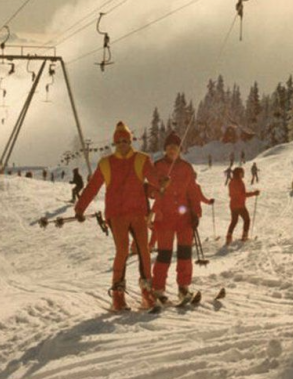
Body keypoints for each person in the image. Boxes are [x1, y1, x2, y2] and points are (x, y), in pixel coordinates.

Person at [74, 121, 163, 312]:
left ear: (130, 141)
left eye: (126, 140)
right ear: (115, 143)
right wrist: (80, 207)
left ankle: (147, 290)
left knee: (144, 251)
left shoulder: (142, 159)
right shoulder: (106, 163)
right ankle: (118, 294)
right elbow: (93, 187)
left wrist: (161, 182)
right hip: (117, 214)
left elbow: (154, 178)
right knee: (122, 250)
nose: (122, 143)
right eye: (119, 140)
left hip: (138, 213)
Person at [150, 132, 210, 304]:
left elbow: (192, 192)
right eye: (169, 147)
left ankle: (183, 287)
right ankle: (158, 289)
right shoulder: (158, 166)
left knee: (184, 254)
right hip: (165, 218)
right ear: (165, 149)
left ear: (180, 150)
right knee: (164, 254)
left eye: (175, 147)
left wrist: (196, 213)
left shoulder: (186, 167)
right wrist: (158, 188)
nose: (172, 150)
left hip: (184, 218)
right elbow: (150, 190)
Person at [226, 167, 259, 245]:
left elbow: (230, 194)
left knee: (234, 221)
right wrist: (254, 193)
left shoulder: (231, 182)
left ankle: (229, 236)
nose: (243, 174)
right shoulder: (240, 182)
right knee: (247, 220)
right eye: (242, 172)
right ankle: (244, 236)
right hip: (240, 205)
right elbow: (243, 195)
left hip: (233, 205)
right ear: (239, 173)